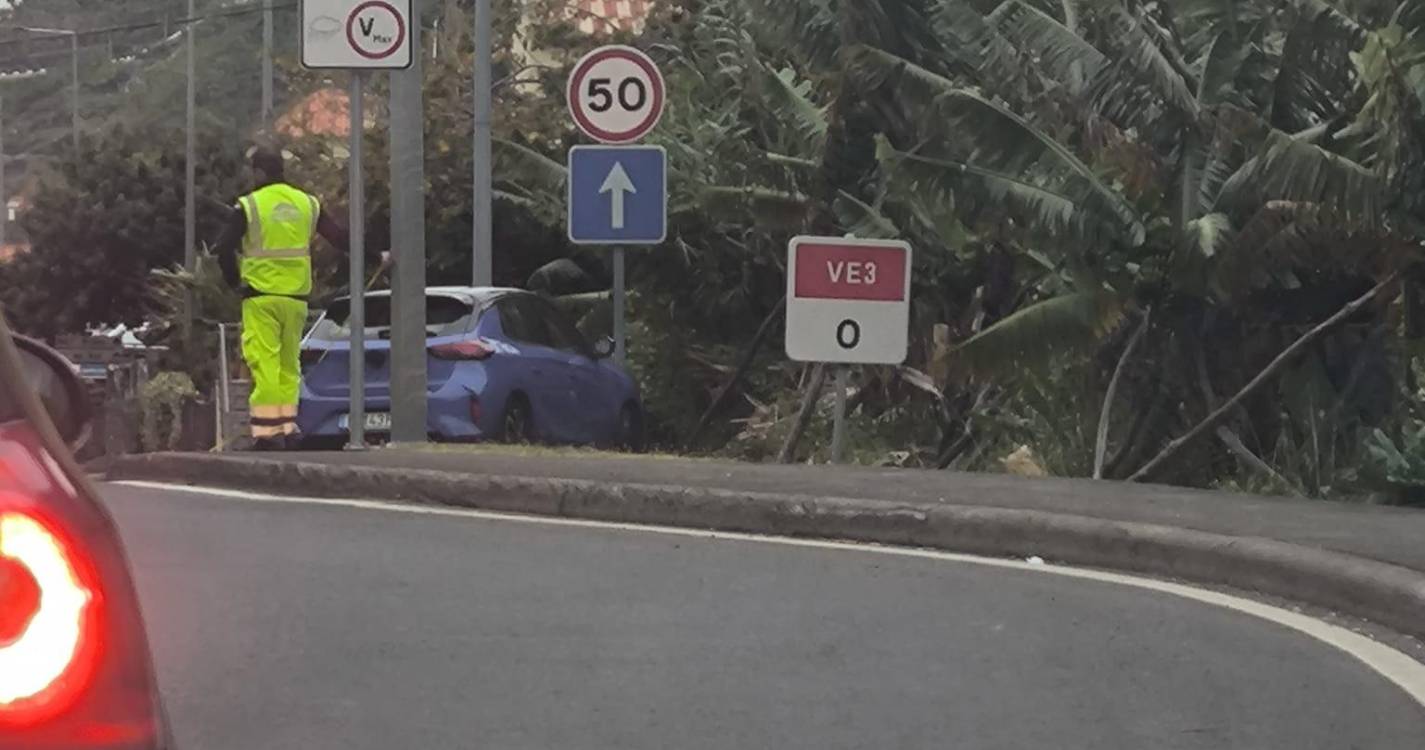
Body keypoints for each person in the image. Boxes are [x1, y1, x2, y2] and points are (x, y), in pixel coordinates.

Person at [215, 146, 384, 450]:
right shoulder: (307, 203)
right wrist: (377, 255)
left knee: (264, 362)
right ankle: (288, 426)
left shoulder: (249, 206)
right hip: (296, 299)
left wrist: (234, 283)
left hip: (261, 297)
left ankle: (267, 434)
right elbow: (340, 238)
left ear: (259, 173)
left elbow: (224, 249)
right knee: (289, 363)